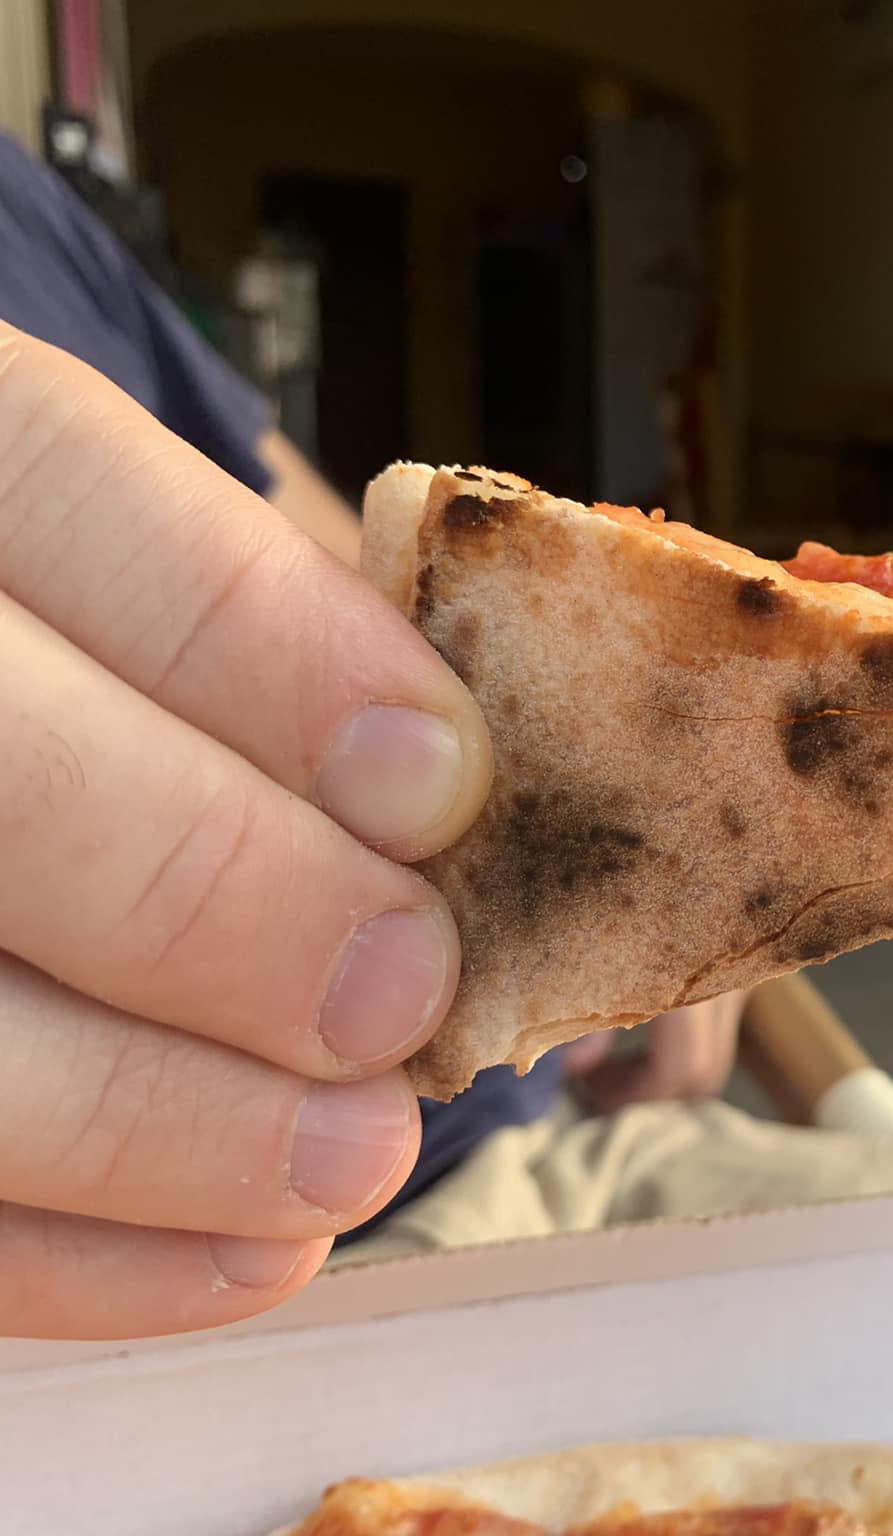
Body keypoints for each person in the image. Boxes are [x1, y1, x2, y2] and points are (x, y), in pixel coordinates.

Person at [0, 130, 747, 1338]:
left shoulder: (18, 201)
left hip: (558, 1132)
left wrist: (638, 835)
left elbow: (341, 551)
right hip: (147, 1329)